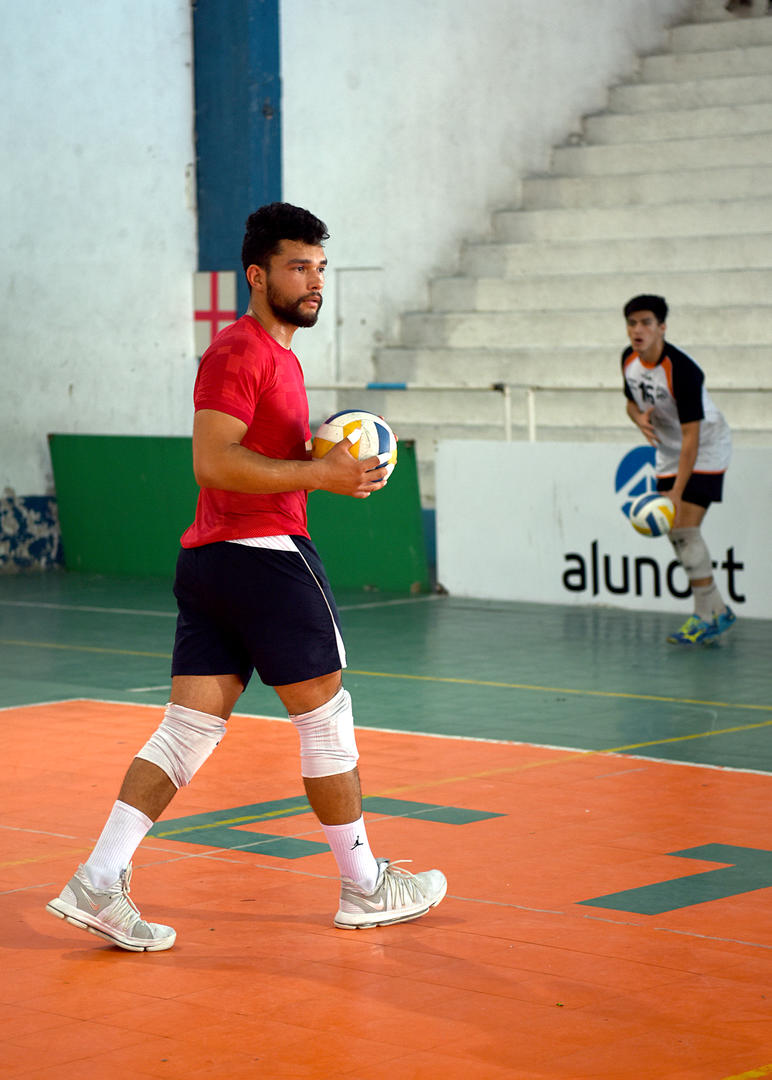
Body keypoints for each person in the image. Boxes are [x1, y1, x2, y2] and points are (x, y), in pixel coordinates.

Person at [46, 202, 446, 951]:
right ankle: (364, 887)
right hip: (263, 557)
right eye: (298, 266)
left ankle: (98, 881)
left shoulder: (278, 358)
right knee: (325, 722)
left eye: (321, 267)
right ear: (258, 274)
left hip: (213, 562)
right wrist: (319, 475)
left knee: (187, 731)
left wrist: (323, 465)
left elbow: (249, 456)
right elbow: (212, 459)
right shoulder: (242, 352)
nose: (314, 281)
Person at [621, 294, 736, 646]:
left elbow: (692, 436)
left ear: (662, 328)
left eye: (646, 323)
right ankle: (718, 610)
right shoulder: (628, 360)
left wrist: (676, 490)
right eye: (632, 323)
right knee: (676, 534)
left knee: (684, 529)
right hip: (668, 450)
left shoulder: (682, 370)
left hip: (705, 448)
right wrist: (637, 417)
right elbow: (629, 401)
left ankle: (704, 618)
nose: (637, 330)